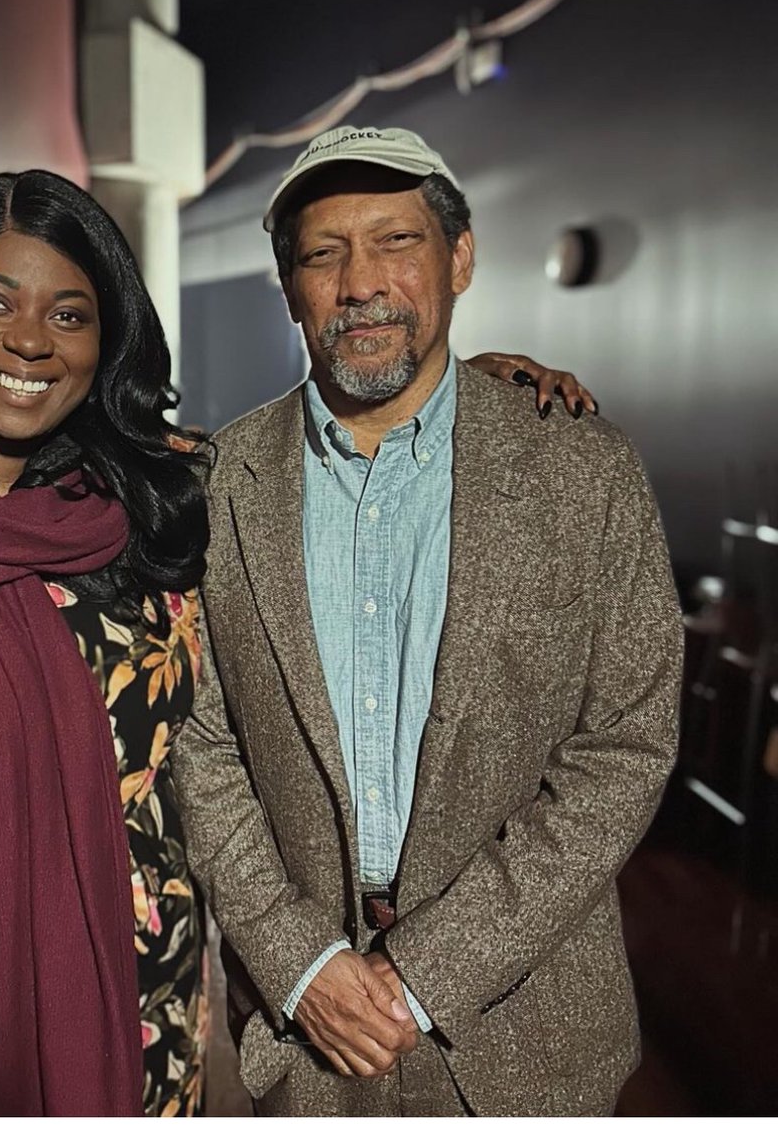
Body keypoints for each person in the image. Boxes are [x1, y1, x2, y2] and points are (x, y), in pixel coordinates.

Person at [0, 165, 592, 1117]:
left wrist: (464, 397)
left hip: (149, 994)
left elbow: (317, 452)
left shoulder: (153, 500)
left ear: (105, 336)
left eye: (70, 315)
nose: (29, 340)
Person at [171, 125, 683, 1117]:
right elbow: (200, 740)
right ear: (289, 288)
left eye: (394, 242)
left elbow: (623, 744)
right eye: (323, 254)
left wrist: (424, 973)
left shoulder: (582, 470)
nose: (358, 281)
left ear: (458, 258)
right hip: (302, 1035)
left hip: (528, 1036)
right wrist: (298, 958)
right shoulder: (214, 486)